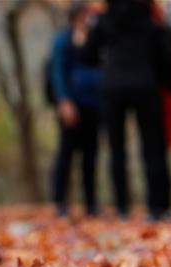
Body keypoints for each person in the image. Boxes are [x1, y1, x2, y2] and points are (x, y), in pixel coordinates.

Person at [84, 0, 171, 222]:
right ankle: (158, 207)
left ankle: (122, 207)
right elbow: (164, 60)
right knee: (154, 149)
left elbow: (88, 55)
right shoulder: (150, 23)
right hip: (146, 86)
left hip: (113, 87)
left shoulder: (103, 21)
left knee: (117, 150)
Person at [50, 1, 102, 217]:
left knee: (90, 155)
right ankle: (60, 202)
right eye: (82, 14)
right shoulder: (62, 41)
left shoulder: (95, 40)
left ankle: (90, 204)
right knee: (66, 154)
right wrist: (64, 101)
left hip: (93, 104)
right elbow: (58, 72)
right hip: (71, 104)